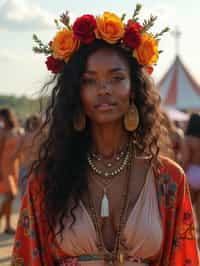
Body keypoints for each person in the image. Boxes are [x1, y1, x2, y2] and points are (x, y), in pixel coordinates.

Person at [12, 6, 199, 266]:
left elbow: (183, 260)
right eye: (89, 81)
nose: (103, 89)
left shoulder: (168, 180)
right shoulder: (46, 180)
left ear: (134, 88)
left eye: (116, 78)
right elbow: (28, 258)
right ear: (76, 93)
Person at [0, 107, 20, 234]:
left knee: (11, 198)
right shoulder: (1, 132)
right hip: (4, 167)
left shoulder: (16, 130)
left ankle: (7, 226)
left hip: (14, 167)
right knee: (10, 195)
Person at [182, 113, 200, 247]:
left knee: (187, 210)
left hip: (190, 174)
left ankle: (187, 238)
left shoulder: (187, 139)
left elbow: (186, 159)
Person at [16, 114, 43, 197]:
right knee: (38, 195)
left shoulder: (24, 136)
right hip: (39, 168)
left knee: (25, 195)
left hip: (26, 168)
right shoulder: (44, 136)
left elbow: (16, 153)